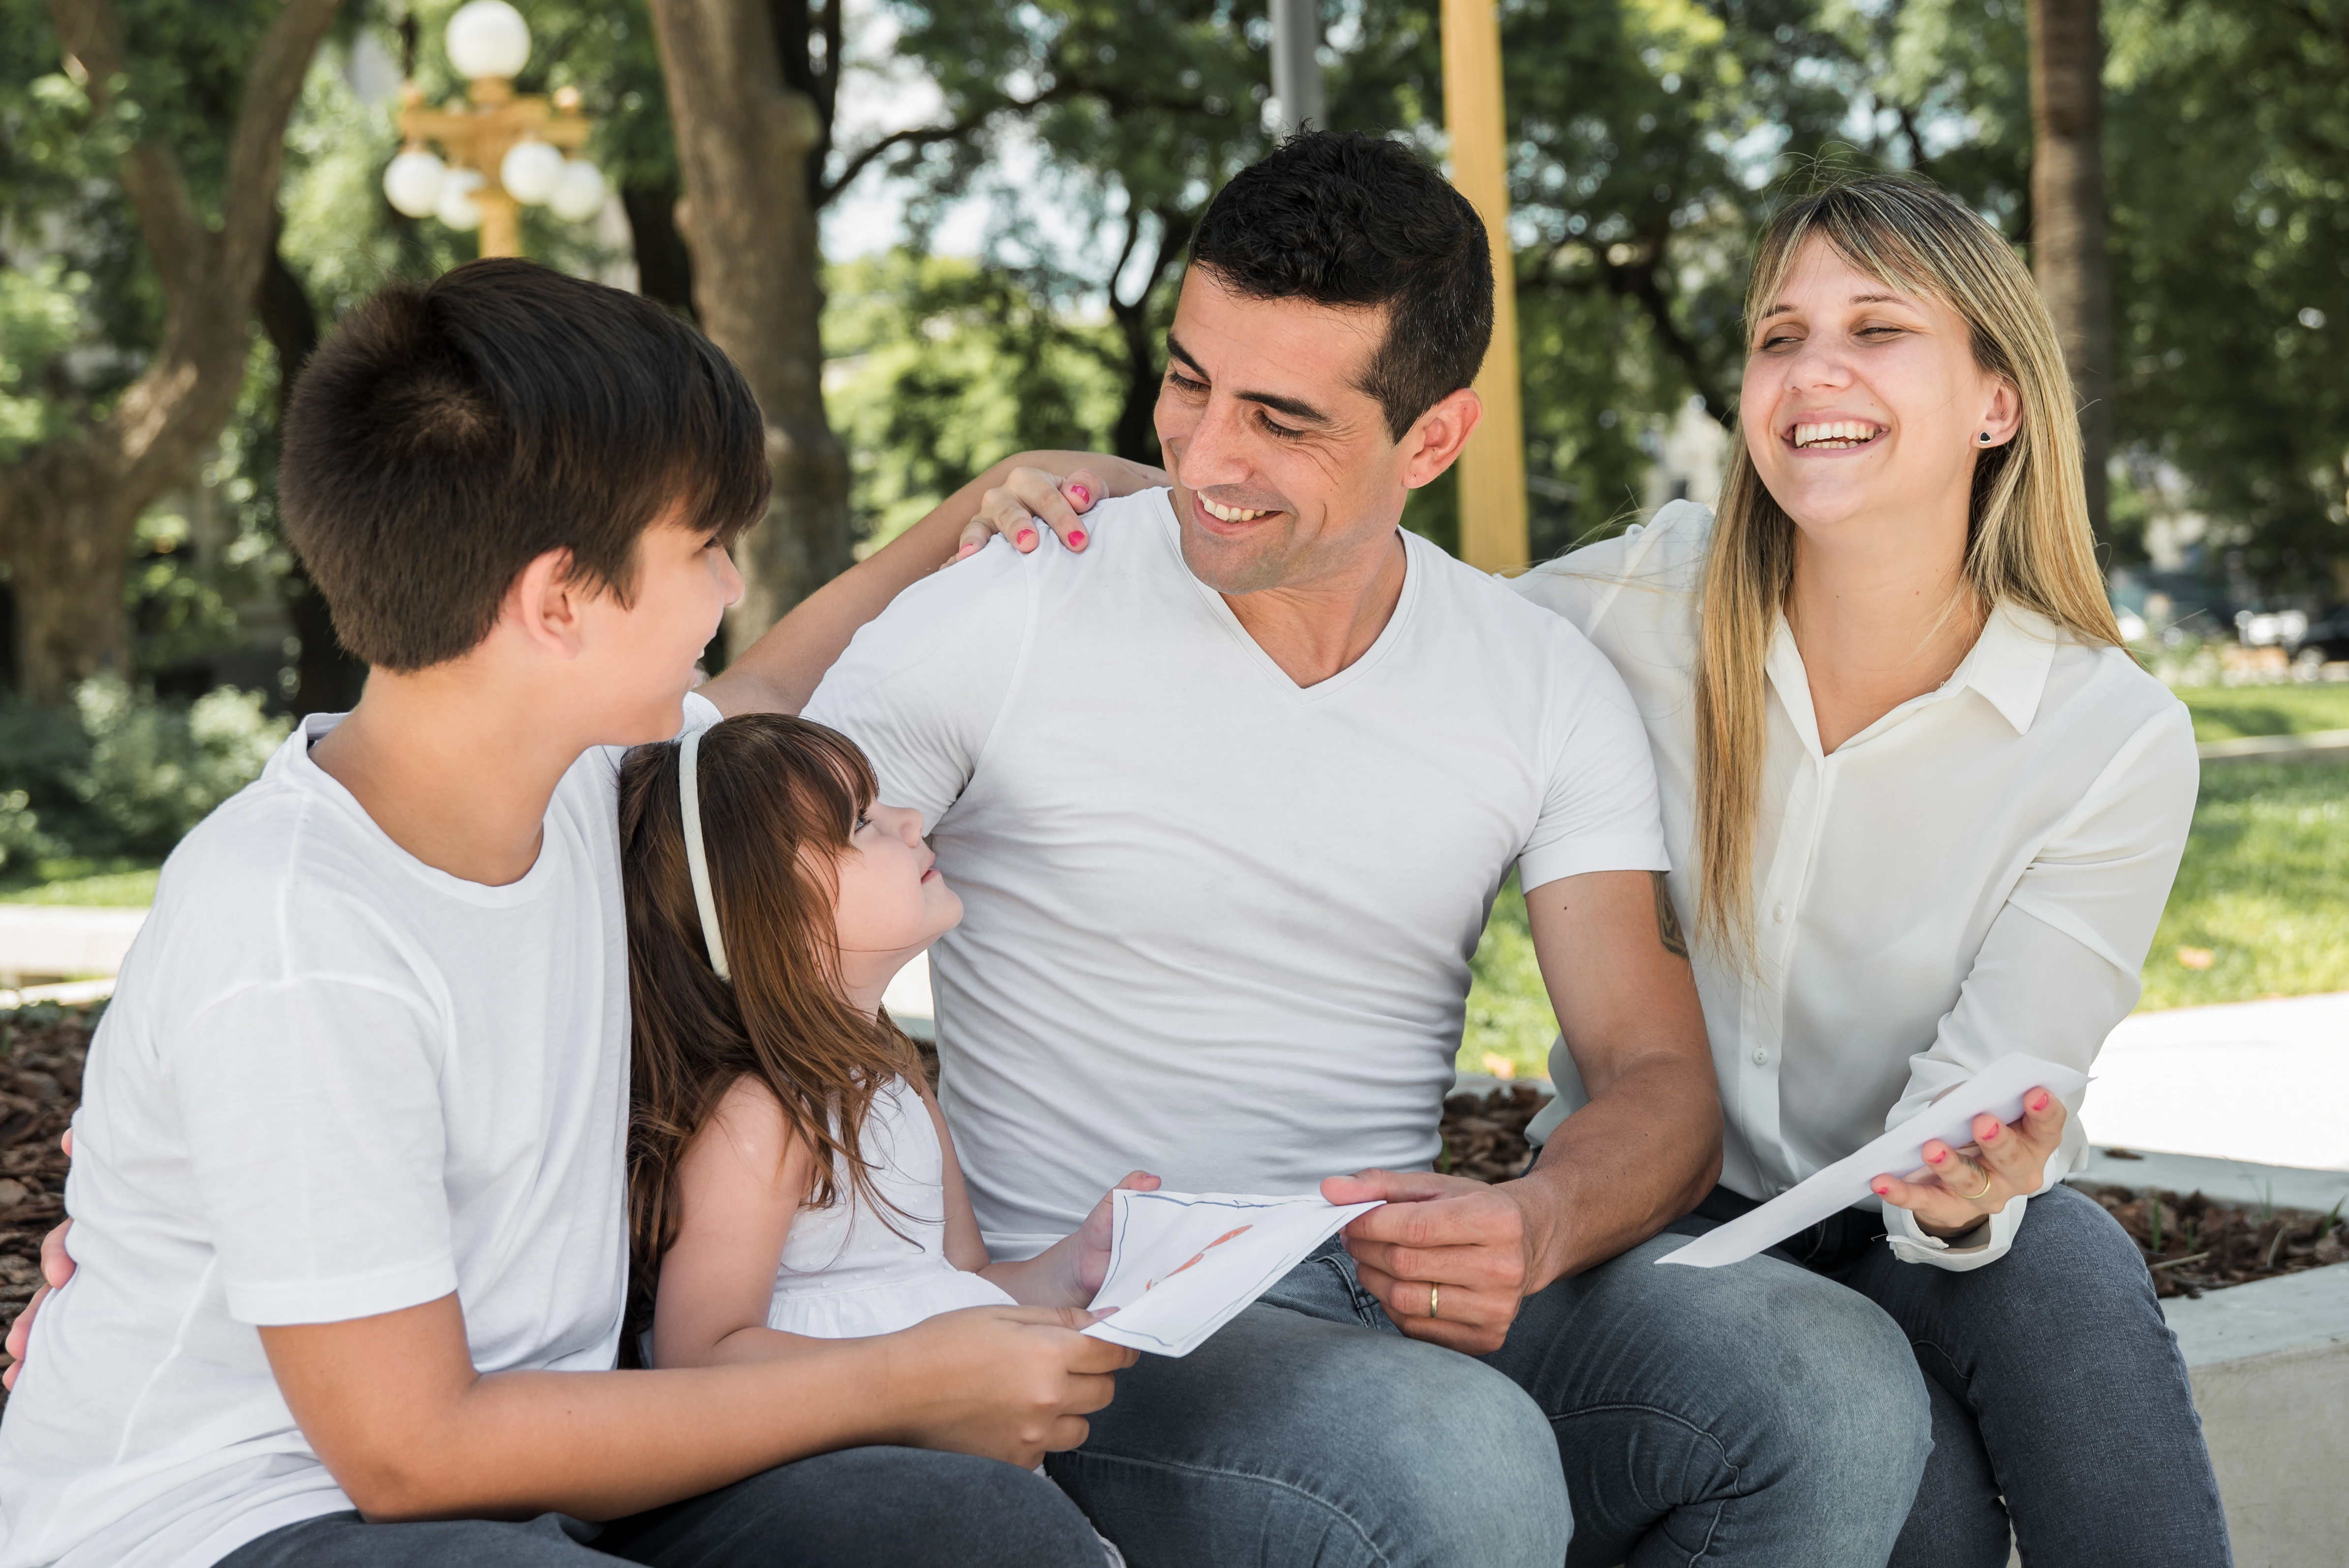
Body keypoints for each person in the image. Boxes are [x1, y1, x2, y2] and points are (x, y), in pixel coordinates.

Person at [795, 131, 1933, 1567]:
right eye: (1190, 380)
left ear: (1433, 439)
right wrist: (943, 1287)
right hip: (1105, 1320)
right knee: (1447, 1459)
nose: (1207, 455)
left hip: (1387, 1281)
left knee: (1826, 1385)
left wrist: (1535, 1218)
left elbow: (1656, 1080)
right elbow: (752, 926)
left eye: (1283, 418)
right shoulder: (1016, 604)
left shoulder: (1533, 676)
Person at [0, 261, 1156, 1568]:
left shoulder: (583, 787)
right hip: (246, 1518)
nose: (730, 588)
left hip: (548, 1473)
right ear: (560, 602)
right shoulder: (293, 933)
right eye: (706, 547)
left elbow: (787, 670)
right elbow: (410, 1454)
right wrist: (899, 1381)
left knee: (978, 1537)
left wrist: (983, 500)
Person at [1503, 172, 2227, 1566]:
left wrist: (1974, 1175)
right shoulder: (1635, 609)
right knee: (1923, 1493)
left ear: (1997, 401)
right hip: (1655, 1230)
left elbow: (2001, 1081)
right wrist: (1081, 503)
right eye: (1779, 335)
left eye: (1876, 327)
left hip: (1904, 1229)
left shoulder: (2111, 736)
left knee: (2068, 1264)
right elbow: (1367, 605)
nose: (1810, 369)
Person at [615, 712, 1158, 1564]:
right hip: (832, 1474)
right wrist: (904, 1378)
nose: (910, 821)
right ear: (770, 914)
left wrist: (1078, 1263)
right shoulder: (764, 1115)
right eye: (861, 823)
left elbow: (962, 1282)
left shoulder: (895, 1082)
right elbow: (699, 1356)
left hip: (950, 1458)